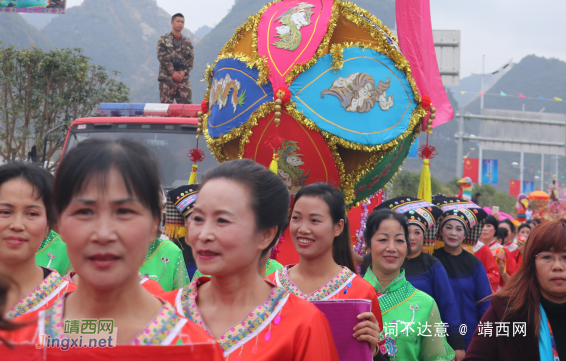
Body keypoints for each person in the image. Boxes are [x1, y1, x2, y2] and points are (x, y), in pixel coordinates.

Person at [6, 139, 221, 349]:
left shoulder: (195, 349)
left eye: (124, 212)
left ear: (155, 224)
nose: (103, 234)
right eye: (85, 212)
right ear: (59, 223)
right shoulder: (17, 343)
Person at [172, 159, 340, 359]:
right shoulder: (166, 312)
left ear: (266, 235)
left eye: (222, 220)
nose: (203, 234)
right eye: (198, 219)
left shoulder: (303, 323)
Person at [273, 182, 386, 357]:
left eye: (315, 220)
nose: (302, 229)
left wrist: (372, 350)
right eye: (296, 218)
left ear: (338, 227)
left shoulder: (362, 292)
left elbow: (377, 353)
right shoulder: (269, 285)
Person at [465, 218, 566, 361]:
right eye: (547, 256)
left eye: (565, 257)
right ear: (532, 264)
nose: (558, 266)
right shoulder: (504, 312)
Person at [363, 208, 455, 360]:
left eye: (399, 240)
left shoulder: (425, 304)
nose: (391, 248)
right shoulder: (350, 296)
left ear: (407, 247)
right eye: (382, 240)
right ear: (368, 245)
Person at [381, 196, 465, 359]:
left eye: (417, 232)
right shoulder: (391, 263)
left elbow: (448, 305)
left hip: (425, 334)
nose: (412, 237)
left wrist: (457, 344)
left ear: (424, 236)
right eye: (407, 232)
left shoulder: (433, 265)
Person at [0, 161, 75, 318]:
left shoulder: (74, 303)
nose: (17, 225)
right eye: (5, 212)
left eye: (32, 214)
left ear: (48, 224)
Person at [432, 196, 492, 351]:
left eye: (459, 229)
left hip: (470, 337)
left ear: (465, 234)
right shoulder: (431, 261)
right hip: (435, 336)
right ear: (441, 230)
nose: (453, 233)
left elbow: (485, 305)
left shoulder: (474, 264)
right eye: (449, 227)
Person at [157, 12, 194, 104]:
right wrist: (172, 72)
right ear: (172, 22)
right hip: (167, 79)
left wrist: (184, 72)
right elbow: (162, 56)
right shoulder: (163, 39)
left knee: (187, 109)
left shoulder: (187, 42)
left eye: (182, 22)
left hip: (183, 80)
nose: (180, 24)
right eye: (178, 21)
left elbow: (190, 59)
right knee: (166, 109)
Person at [476, 215, 511, 290]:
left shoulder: (503, 251)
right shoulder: (473, 248)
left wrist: (502, 272)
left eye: (488, 226)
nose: (484, 229)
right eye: (482, 225)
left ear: (495, 229)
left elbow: (512, 282)